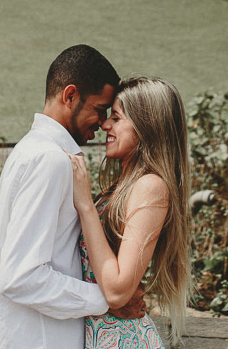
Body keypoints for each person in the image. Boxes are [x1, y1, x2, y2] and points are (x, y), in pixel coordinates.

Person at [0, 45, 145, 349]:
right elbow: (20, 276)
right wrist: (107, 300)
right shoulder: (50, 160)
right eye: (100, 109)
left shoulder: (32, 150)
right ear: (70, 96)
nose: (103, 124)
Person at [68, 76, 191, 349]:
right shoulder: (124, 185)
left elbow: (117, 291)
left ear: (146, 126)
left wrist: (86, 204)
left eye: (116, 117)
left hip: (121, 339)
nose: (104, 124)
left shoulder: (151, 186)